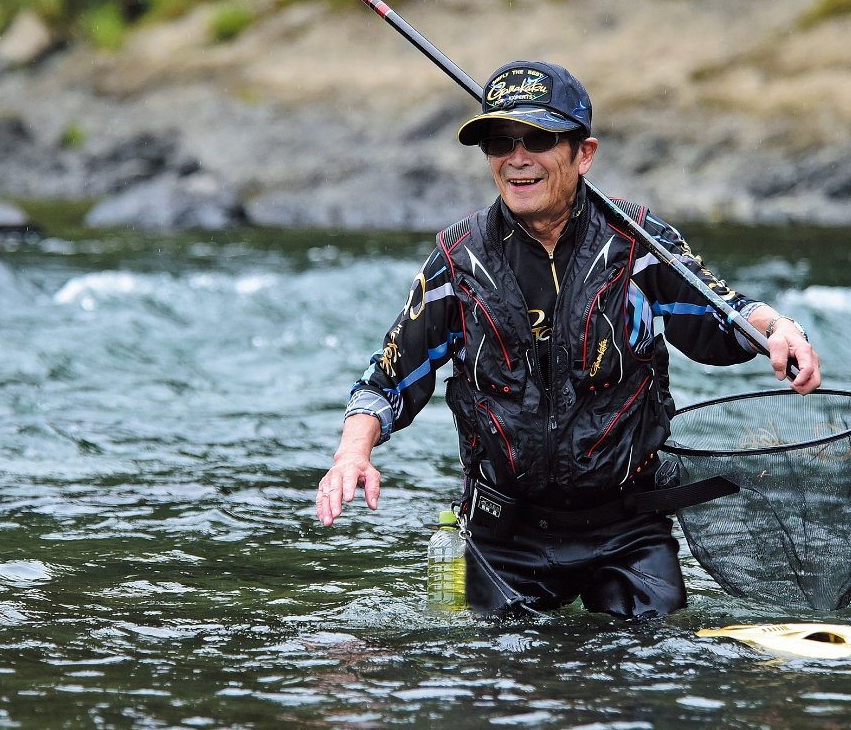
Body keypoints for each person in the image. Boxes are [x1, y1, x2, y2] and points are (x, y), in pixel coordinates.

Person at [315, 60, 820, 617]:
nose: (516, 158)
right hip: (505, 538)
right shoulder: (458, 261)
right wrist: (351, 453)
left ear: (585, 153)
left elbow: (727, 316)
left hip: (628, 530)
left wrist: (779, 329)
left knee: (653, 670)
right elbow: (387, 378)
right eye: (499, 141)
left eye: (538, 138)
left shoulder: (639, 244)